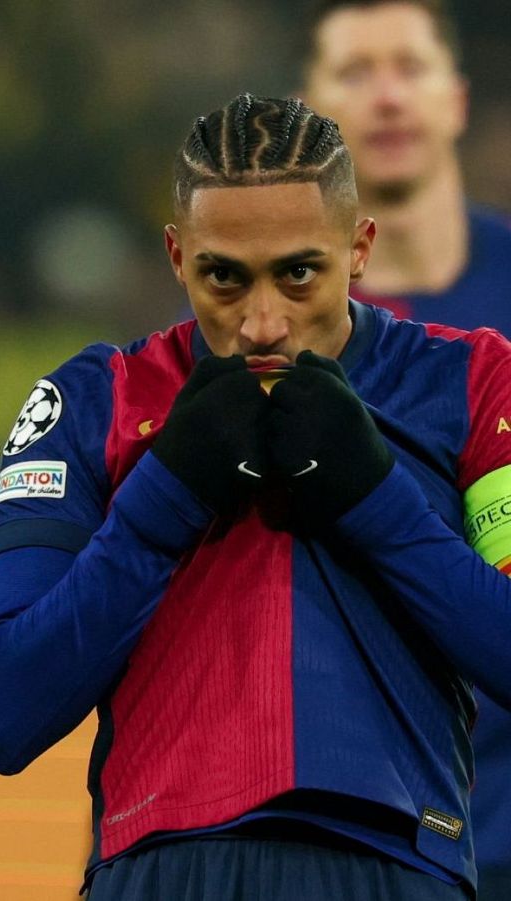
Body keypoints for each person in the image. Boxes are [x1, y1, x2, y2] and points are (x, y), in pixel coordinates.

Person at [0, 92, 511, 900]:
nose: (263, 323)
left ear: (361, 247)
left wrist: (377, 501)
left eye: (299, 273)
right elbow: (12, 710)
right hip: (160, 869)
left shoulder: (476, 382)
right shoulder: (94, 400)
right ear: (175, 255)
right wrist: (165, 497)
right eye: (223, 278)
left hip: (401, 863)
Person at [301, 4, 511, 896]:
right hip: (360, 839)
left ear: (455, 98)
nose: (387, 96)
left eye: (409, 67)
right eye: (355, 71)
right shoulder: (269, 328)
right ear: (311, 108)